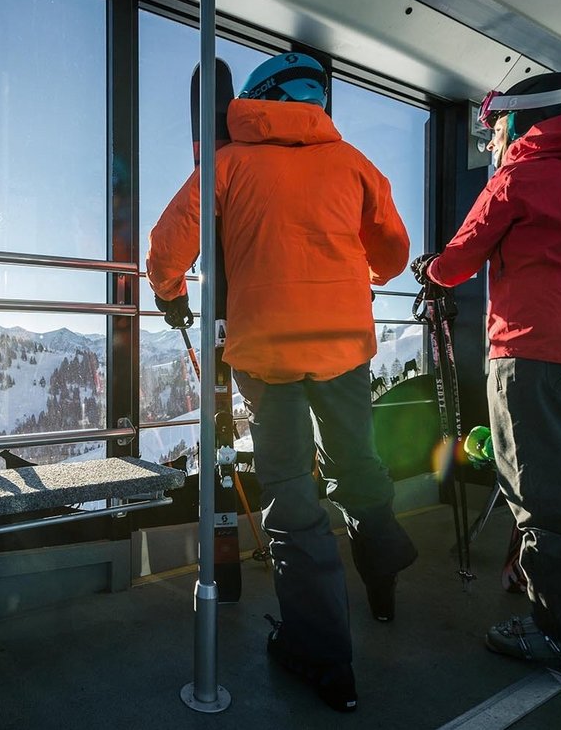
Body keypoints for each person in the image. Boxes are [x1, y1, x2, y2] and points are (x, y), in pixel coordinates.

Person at [147, 52, 417, 712]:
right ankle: (382, 567)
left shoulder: (228, 162)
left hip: (267, 351)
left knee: (292, 493)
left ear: (257, 100)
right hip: (344, 344)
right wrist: (357, 278)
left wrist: (170, 292)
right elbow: (392, 251)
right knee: (356, 460)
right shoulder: (352, 162)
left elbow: (169, 241)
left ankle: (322, 656)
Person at [411, 71, 561, 676]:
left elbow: (459, 261)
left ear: (522, 120)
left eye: (495, 128)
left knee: (544, 499)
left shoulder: (519, 177)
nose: (492, 140)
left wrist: (430, 269)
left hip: (532, 351)